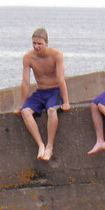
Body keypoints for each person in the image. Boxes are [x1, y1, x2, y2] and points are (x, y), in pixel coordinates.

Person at [18, 28, 71, 161]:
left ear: (46, 43)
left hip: (54, 91)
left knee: (52, 111)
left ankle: (49, 146)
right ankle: (40, 144)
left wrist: (66, 101)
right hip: (40, 91)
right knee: (25, 112)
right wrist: (22, 104)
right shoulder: (28, 58)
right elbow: (25, 82)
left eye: (39, 44)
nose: (36, 47)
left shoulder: (56, 55)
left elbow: (60, 79)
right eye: (34, 43)